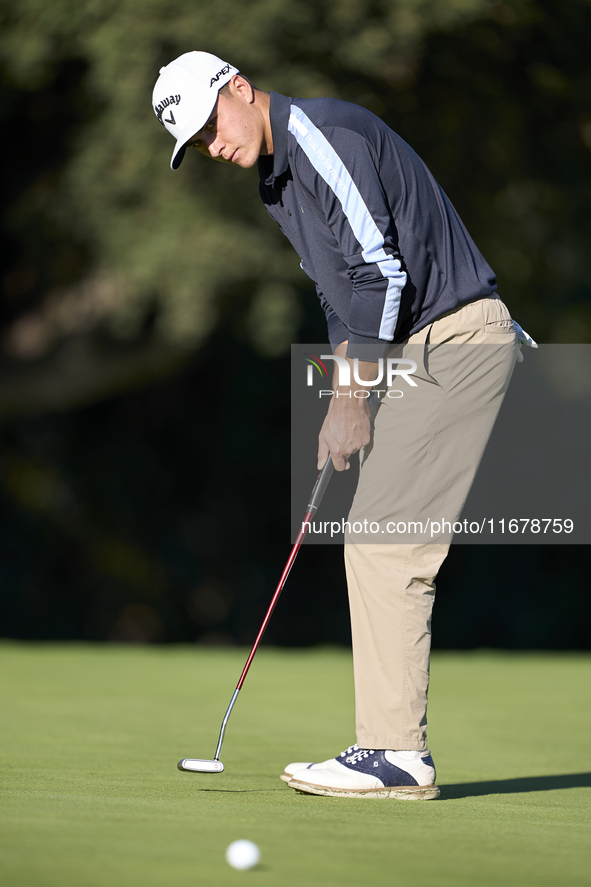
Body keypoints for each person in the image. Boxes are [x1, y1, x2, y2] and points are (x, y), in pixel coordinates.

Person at [152, 51, 534, 800]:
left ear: (238, 88)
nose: (214, 148)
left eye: (211, 127)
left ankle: (394, 753)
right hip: (418, 349)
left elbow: (380, 275)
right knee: (377, 536)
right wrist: (342, 392)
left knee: (384, 538)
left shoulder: (324, 136)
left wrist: (352, 399)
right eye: (197, 144)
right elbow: (338, 297)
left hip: (457, 339)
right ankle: (388, 747)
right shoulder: (276, 180)